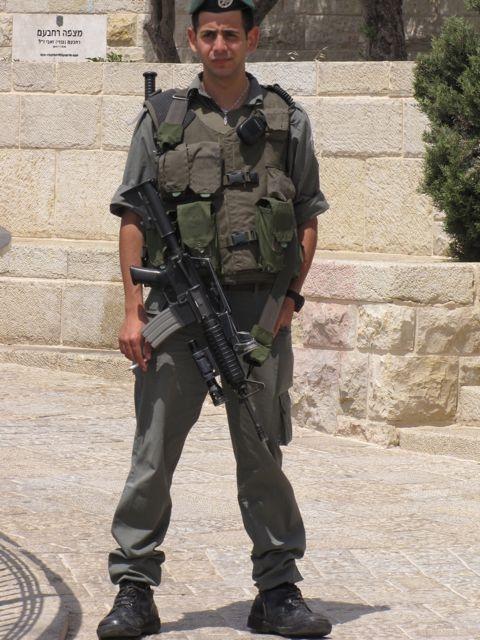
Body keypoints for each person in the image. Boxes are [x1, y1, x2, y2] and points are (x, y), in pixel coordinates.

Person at [97, 1, 331, 638]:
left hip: (258, 312)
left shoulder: (285, 120)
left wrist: (289, 300)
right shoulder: (162, 119)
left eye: (232, 34)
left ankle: (278, 589)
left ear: (252, 38)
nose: (221, 45)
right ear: (193, 41)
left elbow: (308, 215)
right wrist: (131, 309)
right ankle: (134, 588)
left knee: (262, 448)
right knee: (154, 454)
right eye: (209, 35)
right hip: (177, 309)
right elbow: (133, 219)